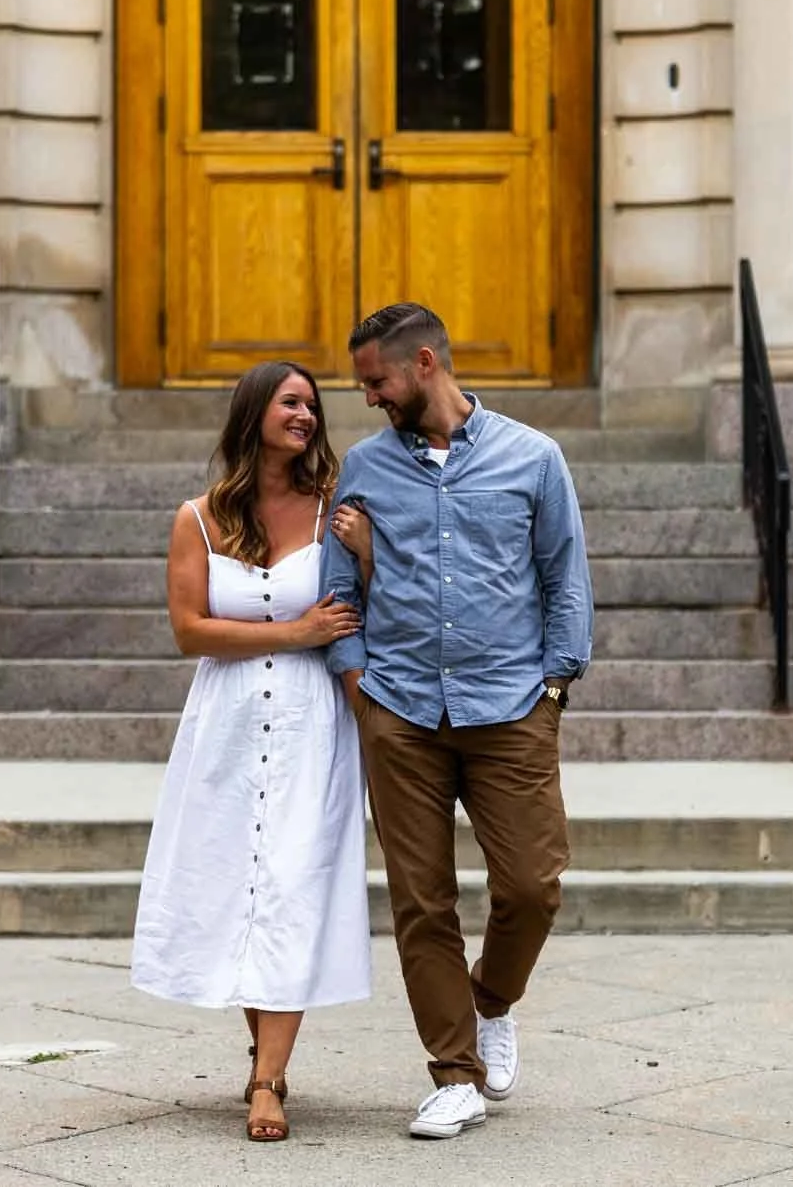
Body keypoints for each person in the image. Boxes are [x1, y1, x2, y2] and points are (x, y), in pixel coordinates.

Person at [321, 301, 594, 1141]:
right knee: (421, 902)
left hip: (511, 705)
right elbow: (340, 590)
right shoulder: (363, 470)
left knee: (531, 886)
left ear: (427, 364)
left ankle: (493, 1001)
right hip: (400, 708)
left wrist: (556, 683)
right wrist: (359, 681)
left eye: (378, 381)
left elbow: (564, 576)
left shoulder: (532, 458)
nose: (367, 397)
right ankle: (454, 1073)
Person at [130, 359, 373, 1144]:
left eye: (312, 405)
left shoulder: (339, 507)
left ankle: (269, 1079)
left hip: (312, 724)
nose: (306, 415)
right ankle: (263, 1046)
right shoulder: (197, 519)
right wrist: (293, 632)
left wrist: (366, 554)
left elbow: (378, 602)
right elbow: (189, 630)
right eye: (291, 402)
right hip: (227, 727)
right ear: (254, 414)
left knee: (293, 885)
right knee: (242, 886)